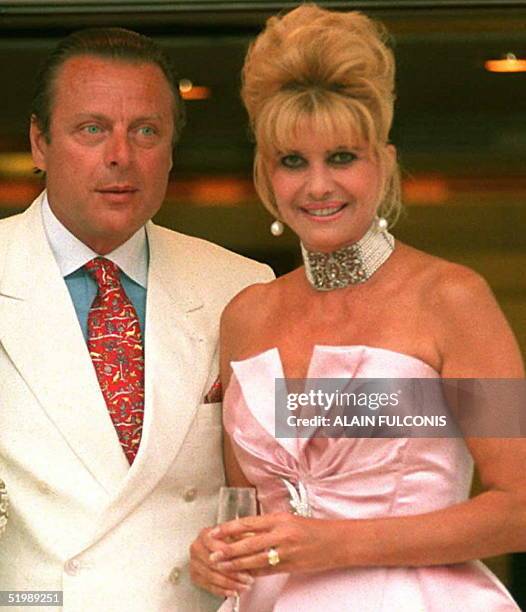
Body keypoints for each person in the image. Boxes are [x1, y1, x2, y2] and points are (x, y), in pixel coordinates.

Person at [189, 5, 526, 610]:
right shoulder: (247, 315)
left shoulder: (452, 299)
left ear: (385, 164)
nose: (317, 186)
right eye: (294, 161)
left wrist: (334, 545)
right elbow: (249, 510)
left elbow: (520, 508)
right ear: (266, 175)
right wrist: (217, 553)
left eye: (341, 157)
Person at [0, 27, 273, 612]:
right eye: (91, 129)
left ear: (172, 150)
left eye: (146, 131)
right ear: (40, 142)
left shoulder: (242, 287)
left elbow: (285, 490)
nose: (121, 154)